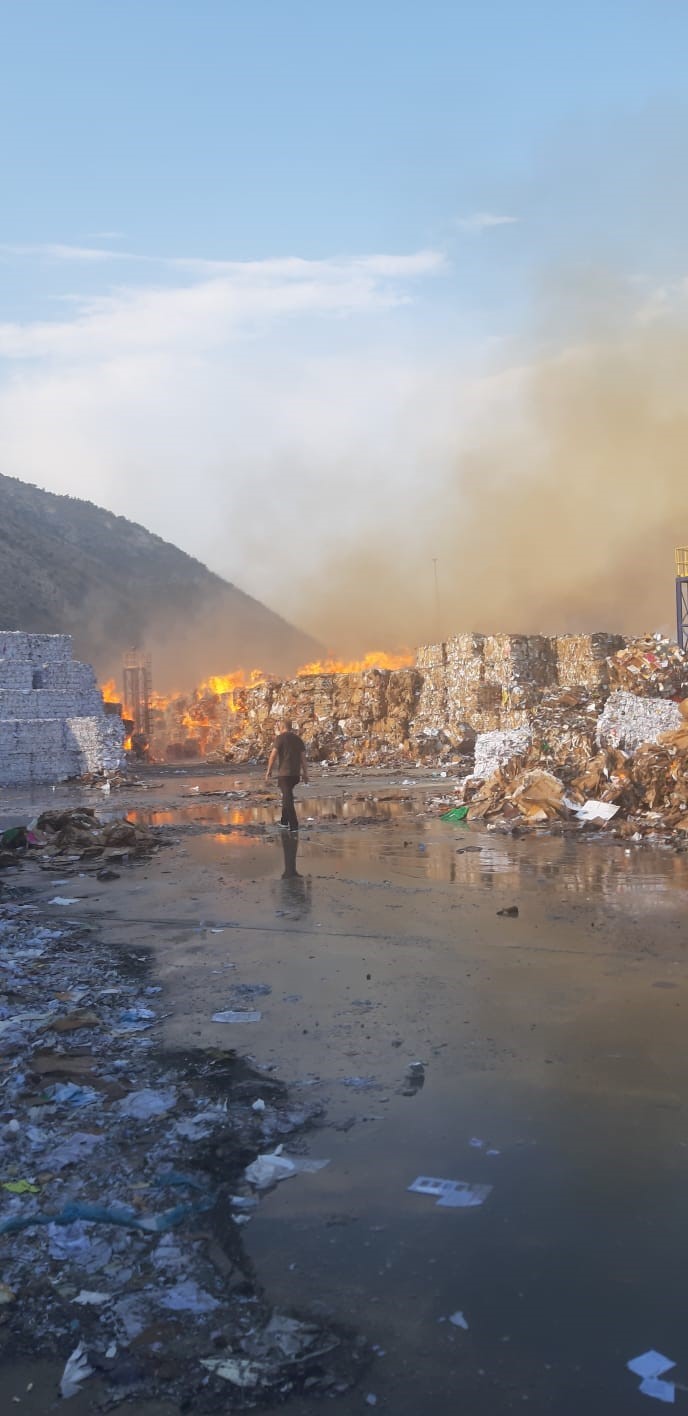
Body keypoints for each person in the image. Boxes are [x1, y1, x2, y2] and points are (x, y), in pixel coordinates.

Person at [265, 718, 308, 830]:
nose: (278, 728)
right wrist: (305, 773)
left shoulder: (280, 738)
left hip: (284, 774)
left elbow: (273, 755)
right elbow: (303, 758)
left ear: (282, 727)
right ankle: (284, 821)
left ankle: (294, 825)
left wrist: (269, 770)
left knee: (287, 798)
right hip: (295, 775)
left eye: (279, 726)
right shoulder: (298, 739)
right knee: (286, 795)